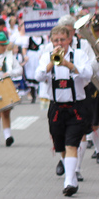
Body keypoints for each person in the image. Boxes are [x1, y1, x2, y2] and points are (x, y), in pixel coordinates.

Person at [37, 24, 93, 196]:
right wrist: (49, 65)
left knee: (71, 143)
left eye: (62, 40)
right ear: (51, 41)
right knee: (60, 145)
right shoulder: (46, 56)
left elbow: (88, 74)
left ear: (69, 39)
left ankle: (69, 181)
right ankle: (71, 177)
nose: (59, 43)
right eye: (56, 41)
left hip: (76, 107)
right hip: (56, 108)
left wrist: (69, 65)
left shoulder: (79, 55)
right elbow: (37, 76)